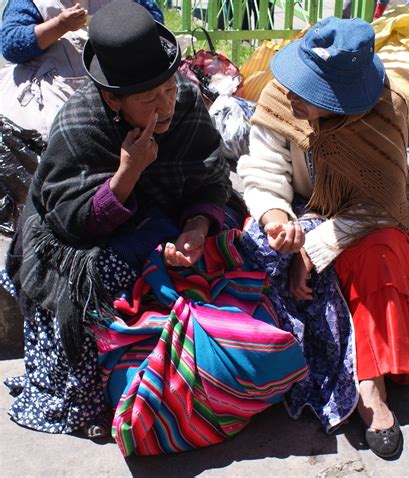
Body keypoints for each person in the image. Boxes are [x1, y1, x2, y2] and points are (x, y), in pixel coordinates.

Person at [1, 0, 307, 454]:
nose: (165, 104)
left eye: (166, 89)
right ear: (112, 99)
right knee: (99, 283)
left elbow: (210, 176)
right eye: (148, 100)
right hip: (83, 240)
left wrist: (198, 226)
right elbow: (69, 222)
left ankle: (199, 361)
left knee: (242, 259)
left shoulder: (183, 99)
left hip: (165, 225)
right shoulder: (80, 122)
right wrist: (128, 172)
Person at [238, 16, 409, 458]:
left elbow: (381, 202)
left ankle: (372, 388)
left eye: (310, 92)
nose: (293, 94)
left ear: (341, 101)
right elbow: (263, 170)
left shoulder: (384, 111)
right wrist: (276, 216)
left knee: (377, 255)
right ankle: (287, 370)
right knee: (256, 246)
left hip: (377, 213)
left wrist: (313, 250)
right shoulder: (281, 99)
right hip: (298, 207)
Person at [0, 0, 164, 139]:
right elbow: (11, 45)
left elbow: (155, 25)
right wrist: (59, 25)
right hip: (57, 98)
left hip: (123, 90)